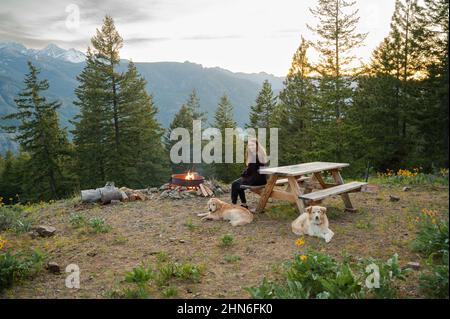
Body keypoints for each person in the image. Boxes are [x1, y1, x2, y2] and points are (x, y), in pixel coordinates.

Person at [231, 138, 268, 208]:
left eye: (252, 145)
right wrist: (244, 174)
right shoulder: (261, 154)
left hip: (255, 181)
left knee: (234, 184)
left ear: (257, 145)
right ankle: (243, 204)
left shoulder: (254, 156)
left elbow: (249, 171)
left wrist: (242, 174)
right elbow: (252, 169)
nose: (251, 147)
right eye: (249, 145)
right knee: (238, 184)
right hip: (262, 179)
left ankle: (233, 204)